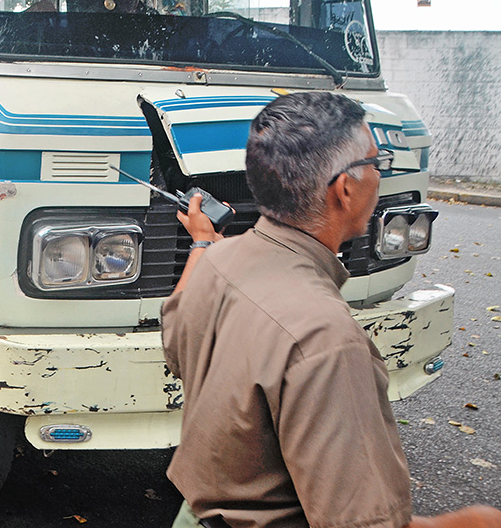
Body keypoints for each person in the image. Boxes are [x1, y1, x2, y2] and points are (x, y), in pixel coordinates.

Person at [163, 91, 501, 528]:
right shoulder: (327, 341)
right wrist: (470, 522)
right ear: (345, 188)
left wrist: (203, 244)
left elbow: (175, 346)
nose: (380, 178)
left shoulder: (218, 261)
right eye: (377, 165)